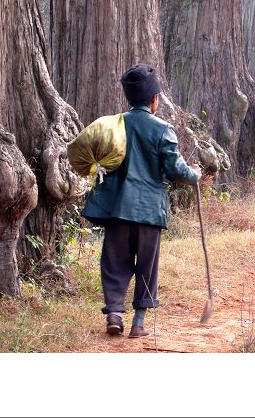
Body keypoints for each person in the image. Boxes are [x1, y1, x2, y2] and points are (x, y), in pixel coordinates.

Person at [82, 63, 201, 338]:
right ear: (154, 100)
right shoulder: (163, 129)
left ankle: (114, 313)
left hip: (117, 210)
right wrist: (194, 175)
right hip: (149, 213)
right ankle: (138, 323)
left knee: (114, 263)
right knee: (147, 265)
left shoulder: (115, 125)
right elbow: (175, 170)